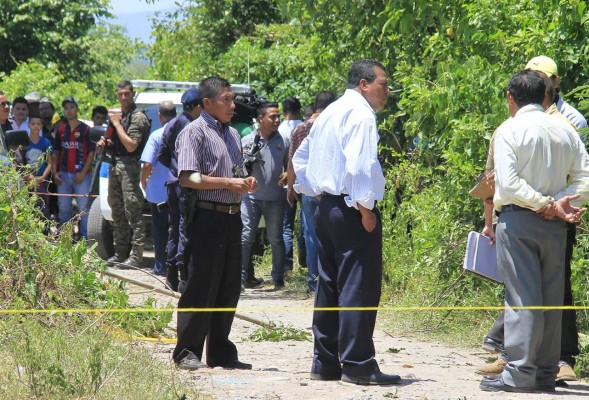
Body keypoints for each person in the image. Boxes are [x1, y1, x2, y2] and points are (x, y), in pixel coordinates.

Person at [478, 70, 589, 393]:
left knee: (522, 298)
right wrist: (557, 203)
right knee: (552, 298)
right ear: (545, 95)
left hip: (520, 219)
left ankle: (520, 372)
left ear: (510, 98)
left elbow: (509, 184)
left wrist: (543, 203)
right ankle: (543, 372)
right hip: (557, 225)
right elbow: (585, 178)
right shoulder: (566, 131)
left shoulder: (509, 130)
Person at [292, 59, 400, 385]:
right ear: (364, 84)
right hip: (351, 208)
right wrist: (365, 209)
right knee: (358, 286)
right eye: (383, 84)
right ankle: (358, 364)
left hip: (325, 206)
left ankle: (325, 363)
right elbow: (360, 165)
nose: (388, 91)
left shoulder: (330, 112)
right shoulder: (362, 114)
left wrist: (314, 192)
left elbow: (301, 158)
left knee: (328, 284)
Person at [172, 76, 257, 370]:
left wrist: (244, 181)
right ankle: (187, 351)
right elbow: (188, 177)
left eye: (232, 99)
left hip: (233, 218)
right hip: (207, 217)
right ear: (207, 103)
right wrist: (227, 183)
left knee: (228, 286)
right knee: (199, 285)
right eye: (226, 100)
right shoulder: (193, 133)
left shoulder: (233, 134)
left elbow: (235, 172)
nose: (233, 106)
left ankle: (221, 351)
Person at [287, 91, 336, 292]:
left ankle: (314, 281)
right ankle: (331, 280)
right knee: (333, 235)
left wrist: (290, 188)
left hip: (307, 188)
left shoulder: (301, 129)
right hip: (330, 188)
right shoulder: (333, 125)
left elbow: (293, 160)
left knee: (311, 235)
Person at [157, 88, 202, 291]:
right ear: (199, 106)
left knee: (174, 228)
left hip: (172, 183)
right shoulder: (193, 127)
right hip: (185, 185)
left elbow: (162, 155)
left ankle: (171, 275)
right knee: (186, 228)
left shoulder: (171, 124)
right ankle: (184, 276)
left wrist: (174, 170)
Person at [241, 102, 289, 290]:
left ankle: (278, 278)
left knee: (276, 239)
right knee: (245, 237)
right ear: (261, 119)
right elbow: (237, 168)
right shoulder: (247, 140)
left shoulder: (283, 140)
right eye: (273, 117)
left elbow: (289, 165)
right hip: (250, 198)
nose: (277, 120)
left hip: (275, 199)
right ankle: (240, 278)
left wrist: (287, 176)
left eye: (278, 116)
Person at [103, 80, 150, 268]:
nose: (123, 97)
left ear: (133, 94)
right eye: (120, 93)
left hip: (130, 167)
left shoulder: (137, 117)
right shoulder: (121, 115)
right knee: (117, 211)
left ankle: (136, 256)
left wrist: (117, 124)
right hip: (115, 165)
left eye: (127, 94)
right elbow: (119, 142)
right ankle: (120, 252)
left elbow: (131, 145)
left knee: (133, 211)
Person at [140, 101, 176, 276]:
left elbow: (147, 164)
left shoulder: (157, 135)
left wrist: (143, 181)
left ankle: (161, 267)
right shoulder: (185, 132)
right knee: (178, 230)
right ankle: (176, 266)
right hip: (180, 190)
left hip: (159, 193)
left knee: (160, 231)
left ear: (160, 116)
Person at [52, 97, 95, 239]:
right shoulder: (61, 130)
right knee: (64, 208)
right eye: (66, 108)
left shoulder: (85, 129)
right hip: (63, 174)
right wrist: (54, 171)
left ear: (77, 109)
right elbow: (56, 151)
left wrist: (83, 172)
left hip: (82, 175)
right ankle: (65, 238)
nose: (69, 110)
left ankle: (85, 239)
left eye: (71, 107)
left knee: (83, 208)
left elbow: (91, 152)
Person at [278, 97, 304, 275]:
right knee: (305, 224)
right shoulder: (305, 126)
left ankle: (287, 267)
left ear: (282, 111)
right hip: (306, 181)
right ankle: (306, 262)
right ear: (299, 110)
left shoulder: (279, 129)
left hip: (286, 181)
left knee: (286, 225)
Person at [19, 114, 52, 220]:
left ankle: (45, 230)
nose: (35, 126)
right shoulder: (24, 142)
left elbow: (50, 163)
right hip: (28, 179)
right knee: (29, 204)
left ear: (42, 126)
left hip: (42, 180)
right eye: (33, 124)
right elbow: (21, 162)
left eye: (38, 124)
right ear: (28, 125)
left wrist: (42, 177)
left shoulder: (45, 142)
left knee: (43, 204)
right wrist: (27, 176)